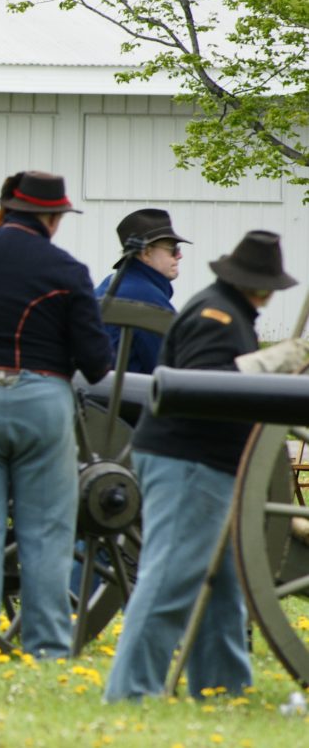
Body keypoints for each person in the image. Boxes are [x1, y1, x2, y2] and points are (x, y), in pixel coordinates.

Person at [106, 231, 301, 701]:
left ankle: (222, 689)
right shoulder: (215, 315)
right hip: (187, 458)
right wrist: (271, 363)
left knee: (224, 585)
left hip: (209, 461)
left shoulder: (228, 311)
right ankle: (130, 691)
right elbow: (201, 387)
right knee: (171, 576)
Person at [0, 171, 113, 662]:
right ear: (54, 217)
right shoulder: (68, 270)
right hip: (40, 399)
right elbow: (98, 364)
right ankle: (49, 648)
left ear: (8, 208)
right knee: (46, 536)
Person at [95, 209, 190, 372]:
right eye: (173, 249)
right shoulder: (148, 298)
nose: (179, 255)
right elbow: (171, 371)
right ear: (146, 253)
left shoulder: (108, 285)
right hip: (128, 396)